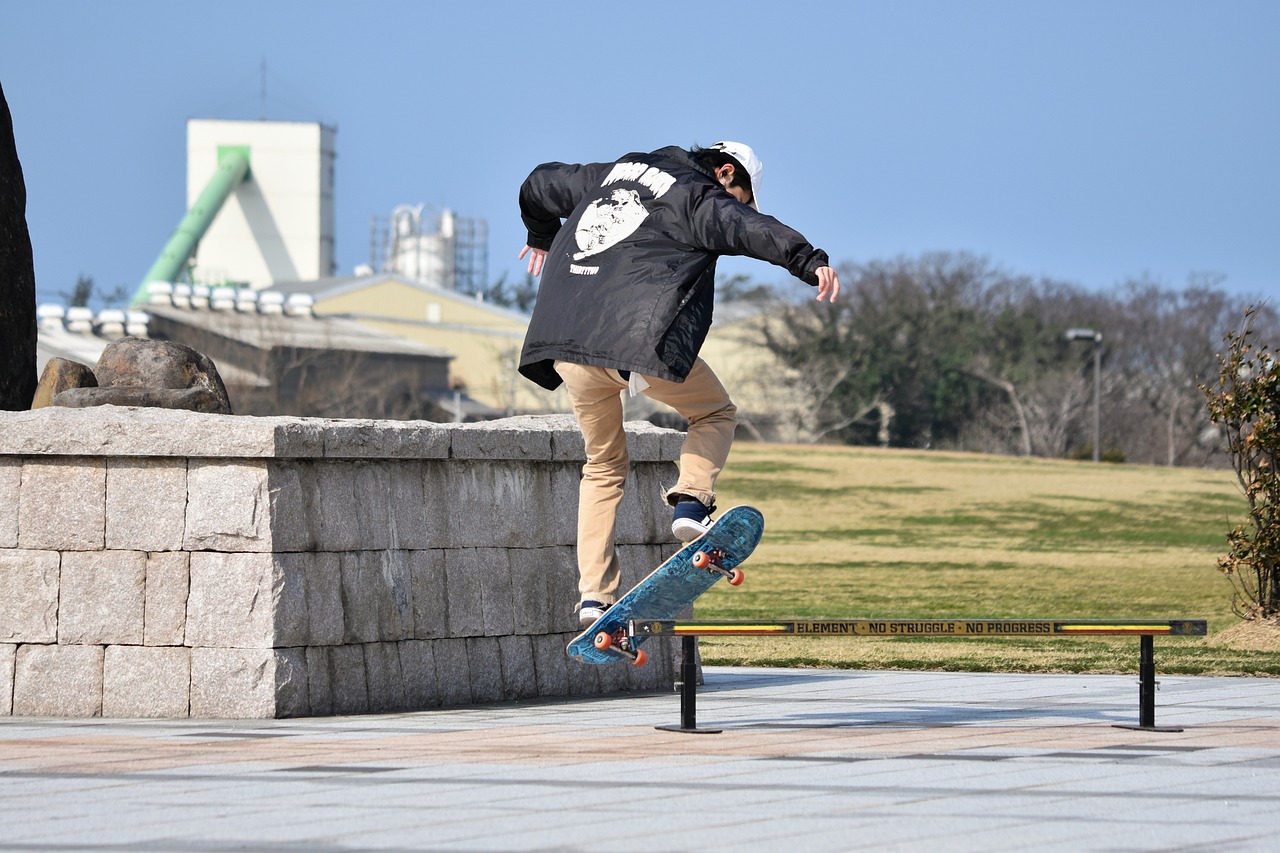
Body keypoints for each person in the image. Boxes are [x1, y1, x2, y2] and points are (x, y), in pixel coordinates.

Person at [517, 141, 840, 627]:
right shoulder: (698, 195)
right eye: (739, 195)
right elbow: (749, 229)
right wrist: (809, 260)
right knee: (714, 413)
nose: (736, 206)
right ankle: (691, 501)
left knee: (602, 465)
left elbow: (538, 183)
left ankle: (592, 597)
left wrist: (541, 236)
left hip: (568, 343)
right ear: (726, 172)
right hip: (639, 339)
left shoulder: (607, 174)